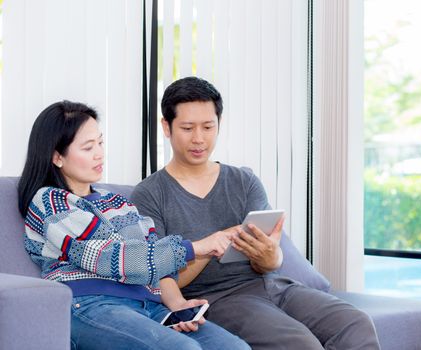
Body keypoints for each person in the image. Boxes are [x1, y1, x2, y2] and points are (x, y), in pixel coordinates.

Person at [131, 77, 382, 349]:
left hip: (274, 286)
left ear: (219, 125)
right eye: (187, 128)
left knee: (355, 322)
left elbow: (268, 264)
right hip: (219, 298)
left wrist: (270, 256)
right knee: (299, 343)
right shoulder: (150, 194)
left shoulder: (244, 181)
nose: (199, 138)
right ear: (166, 127)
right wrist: (211, 245)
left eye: (208, 127)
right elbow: (161, 276)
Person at [18, 100, 250, 350]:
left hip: (146, 306)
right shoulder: (50, 202)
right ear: (57, 157)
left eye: (100, 142)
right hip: (89, 305)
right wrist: (196, 248)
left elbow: (152, 256)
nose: (99, 153)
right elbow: (120, 259)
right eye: (87, 147)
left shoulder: (118, 203)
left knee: (235, 348)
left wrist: (178, 305)